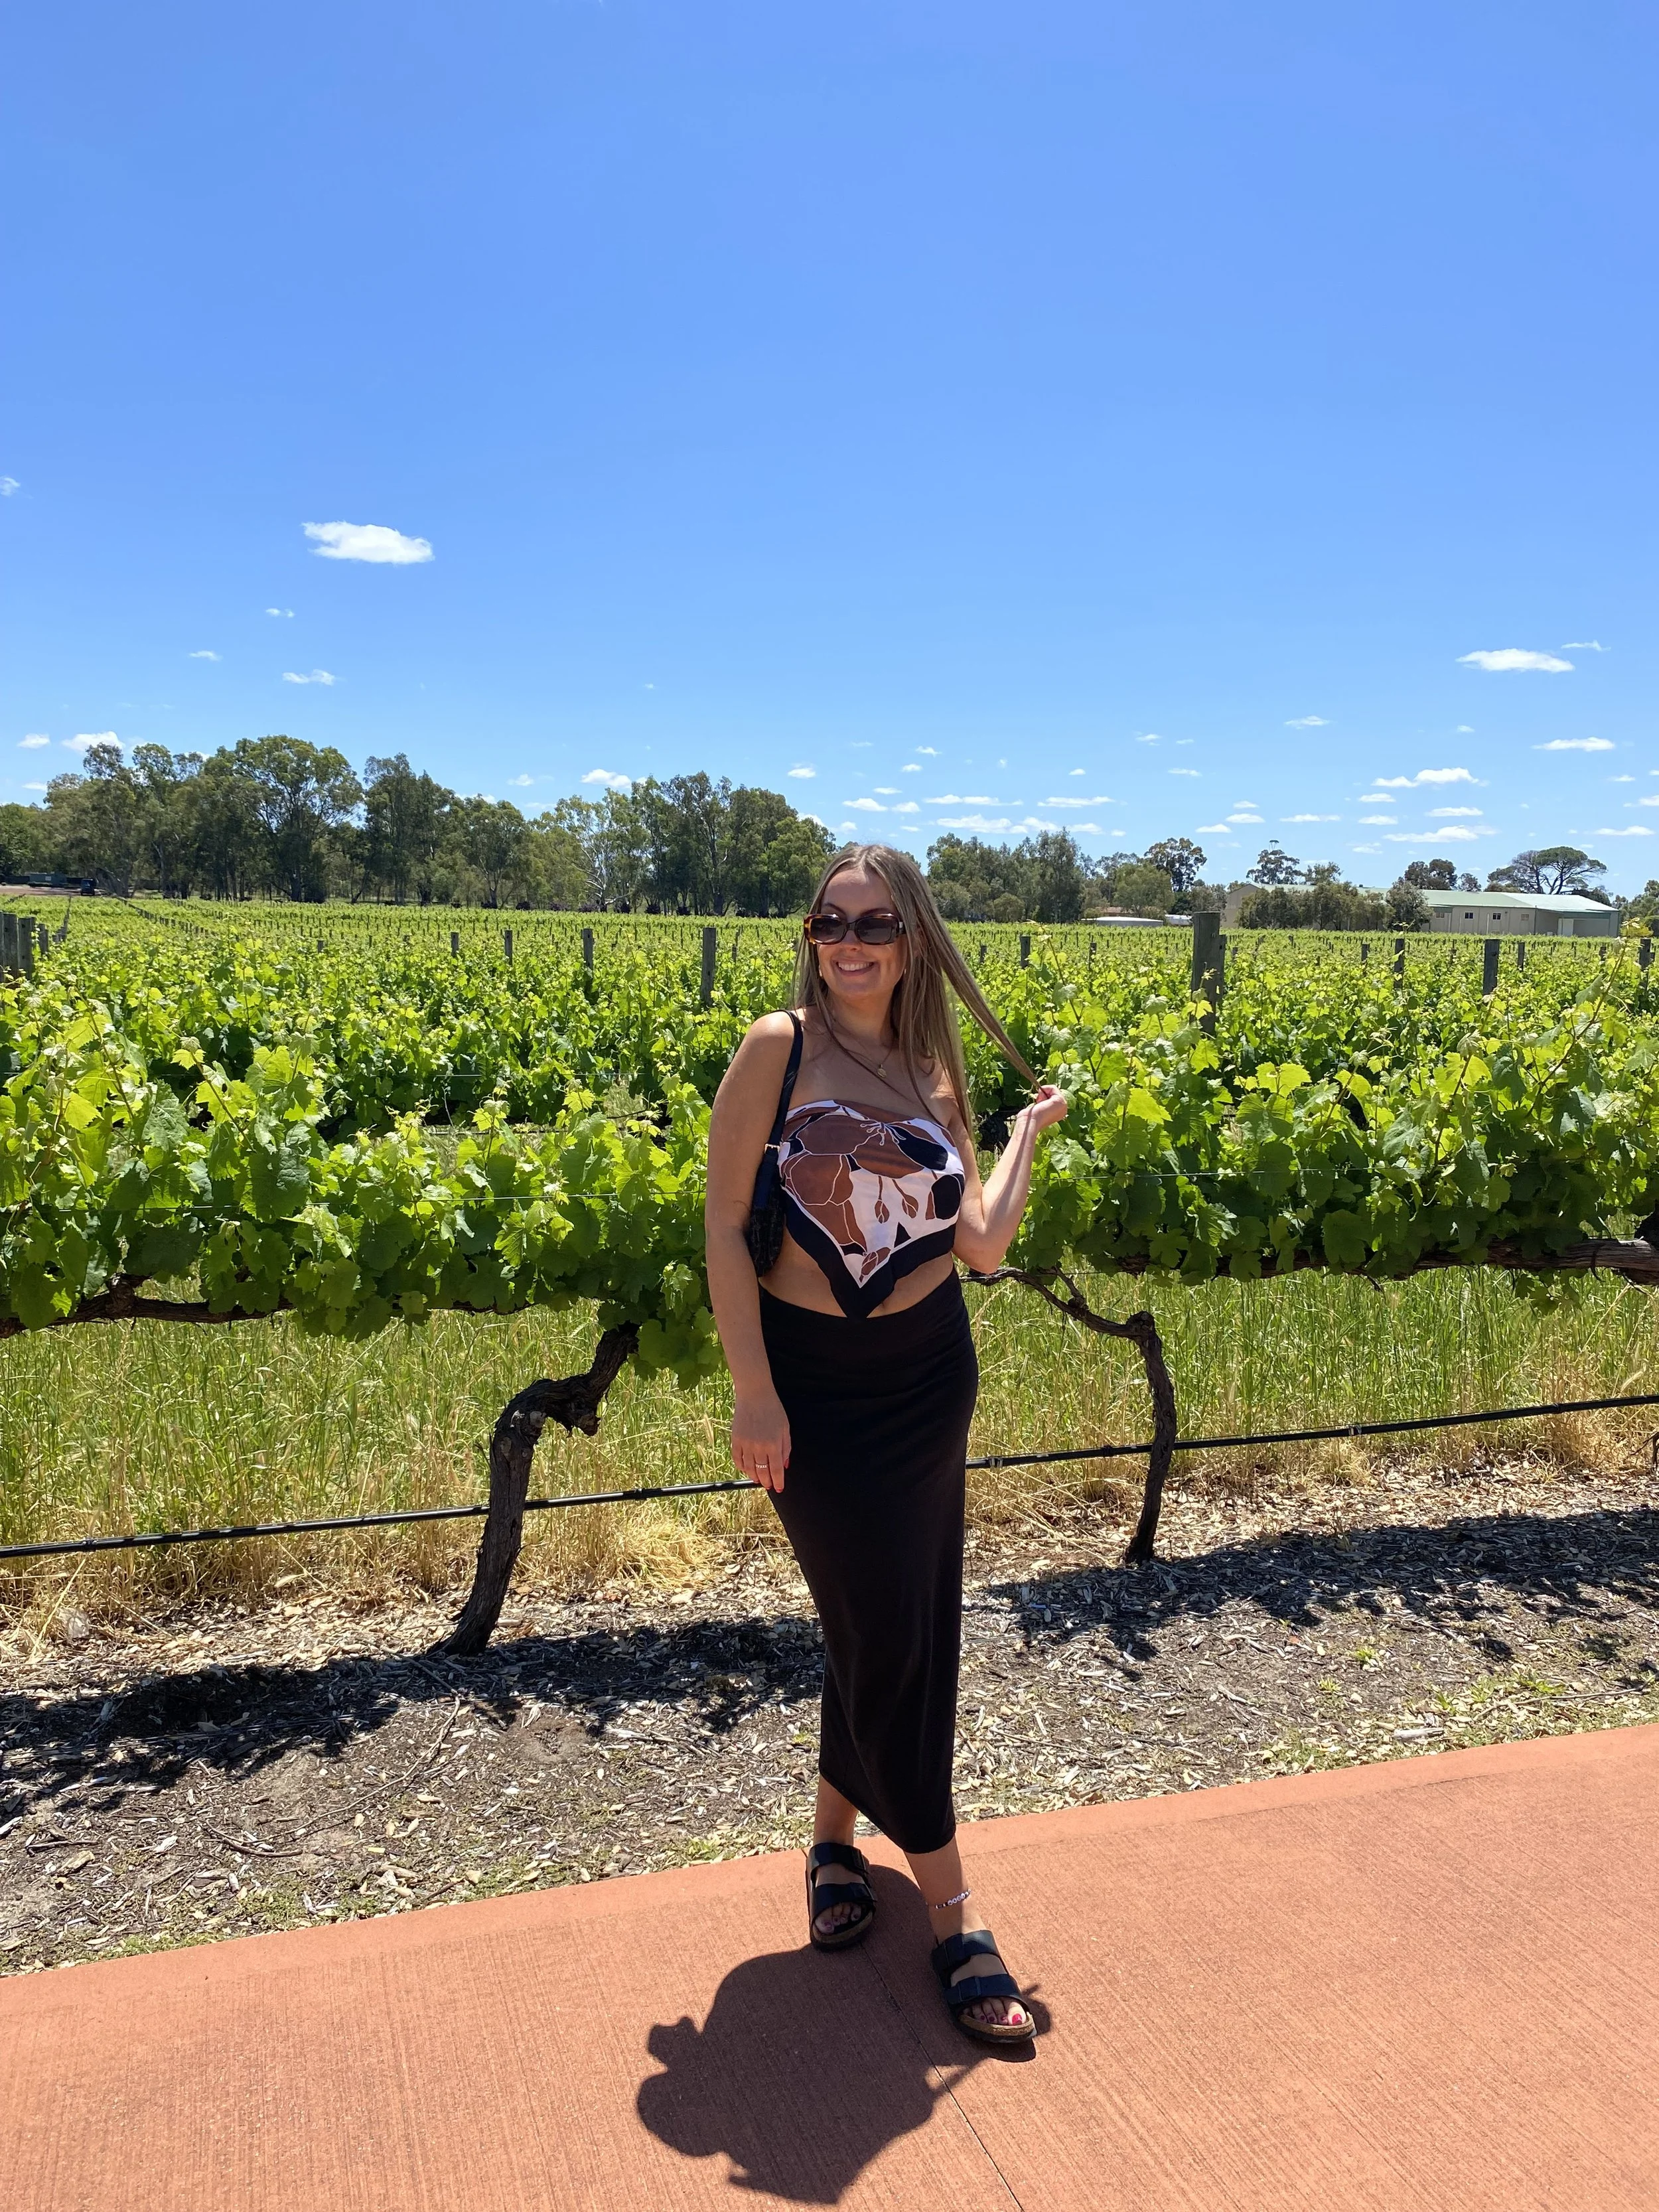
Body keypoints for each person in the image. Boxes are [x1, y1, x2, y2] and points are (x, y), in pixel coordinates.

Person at [705, 843, 1068, 2045]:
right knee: (891, 1637)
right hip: (811, 1389)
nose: (847, 941)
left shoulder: (931, 1066)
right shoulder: (780, 1047)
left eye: (872, 923)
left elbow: (980, 1246)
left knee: (893, 1621)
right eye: (828, 921)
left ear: (912, 938)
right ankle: (957, 1912)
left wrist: (1023, 1140)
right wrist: (755, 1393)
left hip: (928, 1381)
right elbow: (720, 1233)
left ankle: (831, 1849)